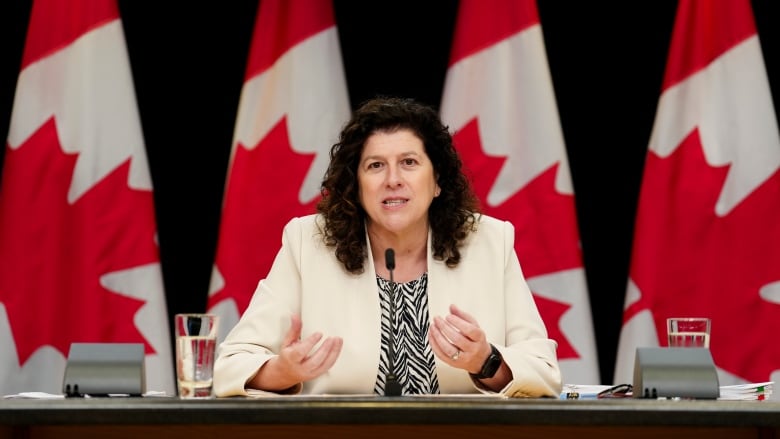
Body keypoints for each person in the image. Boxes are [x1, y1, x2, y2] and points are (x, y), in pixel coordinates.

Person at [213, 96, 562, 398]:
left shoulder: (490, 242)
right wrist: (283, 372)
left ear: (437, 180)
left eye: (409, 163)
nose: (392, 179)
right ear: (356, 184)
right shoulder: (308, 243)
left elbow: (544, 370)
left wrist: (485, 361)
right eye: (375, 166)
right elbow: (231, 366)